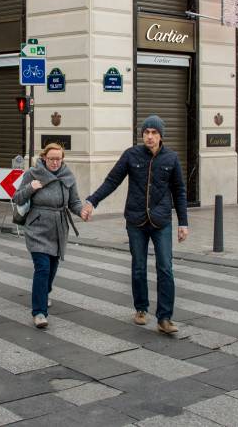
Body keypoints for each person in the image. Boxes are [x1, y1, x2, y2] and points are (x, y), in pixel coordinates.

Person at [81, 115, 188, 335]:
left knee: (165, 268)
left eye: (154, 133)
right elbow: (112, 180)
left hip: (161, 221)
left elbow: (179, 191)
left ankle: (164, 318)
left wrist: (183, 223)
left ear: (161, 136)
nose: (149, 136)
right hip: (136, 220)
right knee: (139, 266)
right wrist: (92, 200)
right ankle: (141, 308)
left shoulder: (171, 158)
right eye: (146, 132)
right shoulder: (131, 155)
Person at [12, 142, 83, 329]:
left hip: (58, 228)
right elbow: (17, 198)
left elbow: (74, 201)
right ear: (44, 158)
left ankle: (45, 292)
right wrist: (31, 188)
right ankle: (39, 312)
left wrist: (82, 211)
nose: (55, 162)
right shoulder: (33, 174)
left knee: (52, 267)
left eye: (58, 159)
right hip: (37, 227)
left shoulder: (68, 176)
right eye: (51, 159)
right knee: (42, 268)